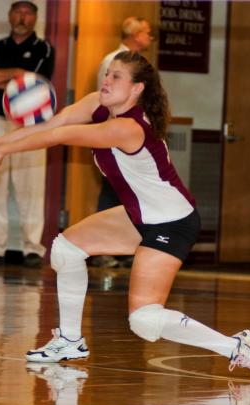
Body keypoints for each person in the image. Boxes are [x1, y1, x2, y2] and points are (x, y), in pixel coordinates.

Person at [0, 51, 250, 378]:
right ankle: (69, 340)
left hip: (172, 223)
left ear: (136, 89)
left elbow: (61, 136)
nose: (106, 80)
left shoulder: (128, 128)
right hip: (138, 215)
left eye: (116, 77)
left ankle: (237, 347)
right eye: (108, 73)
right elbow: (54, 123)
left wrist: (3, 149)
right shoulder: (97, 104)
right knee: (66, 248)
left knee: (145, 320)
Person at [0, 0, 55, 267]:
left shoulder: (43, 48)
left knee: (30, 187)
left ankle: (32, 248)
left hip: (30, 126)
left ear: (35, 18)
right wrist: (17, 74)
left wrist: (3, 76)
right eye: (18, 12)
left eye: (28, 13)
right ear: (10, 16)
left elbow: (34, 82)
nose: (22, 17)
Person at [93, 17, 154, 268]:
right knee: (112, 192)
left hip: (129, 137)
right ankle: (102, 249)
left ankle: (128, 247)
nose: (151, 38)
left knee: (130, 192)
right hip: (113, 135)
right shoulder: (115, 60)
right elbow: (105, 100)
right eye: (148, 32)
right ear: (135, 34)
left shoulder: (139, 65)